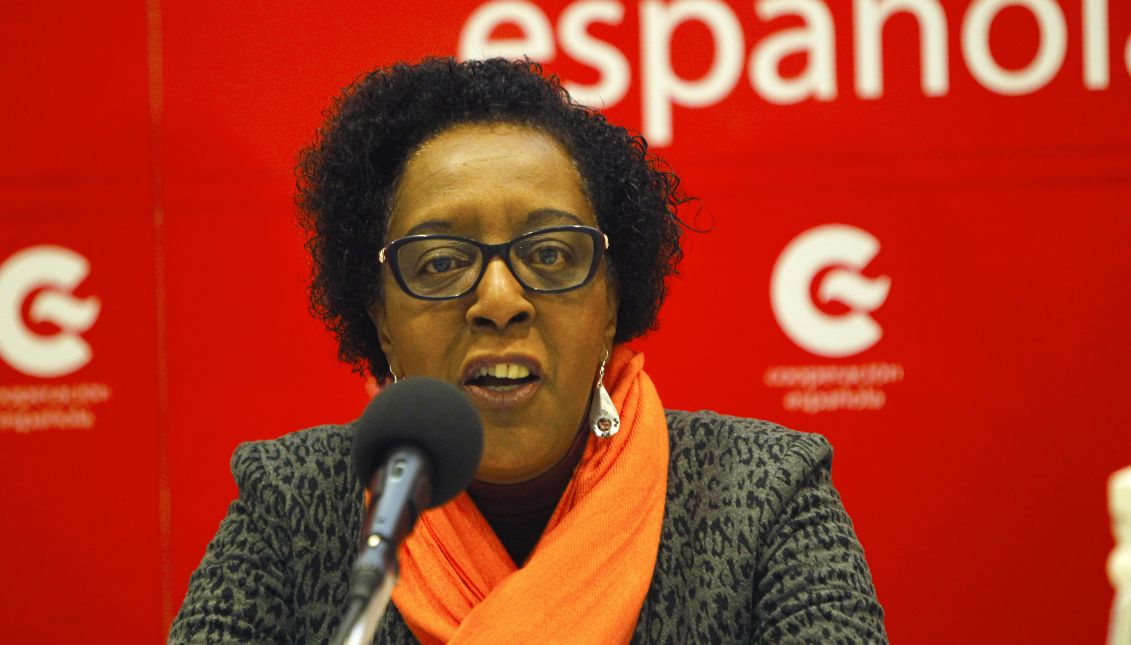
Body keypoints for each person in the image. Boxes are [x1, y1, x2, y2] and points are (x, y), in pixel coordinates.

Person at [170, 57, 887, 644]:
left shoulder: (760, 494)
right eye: (442, 261)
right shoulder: (294, 502)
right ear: (381, 319)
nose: (499, 299)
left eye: (548, 252)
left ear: (611, 305)